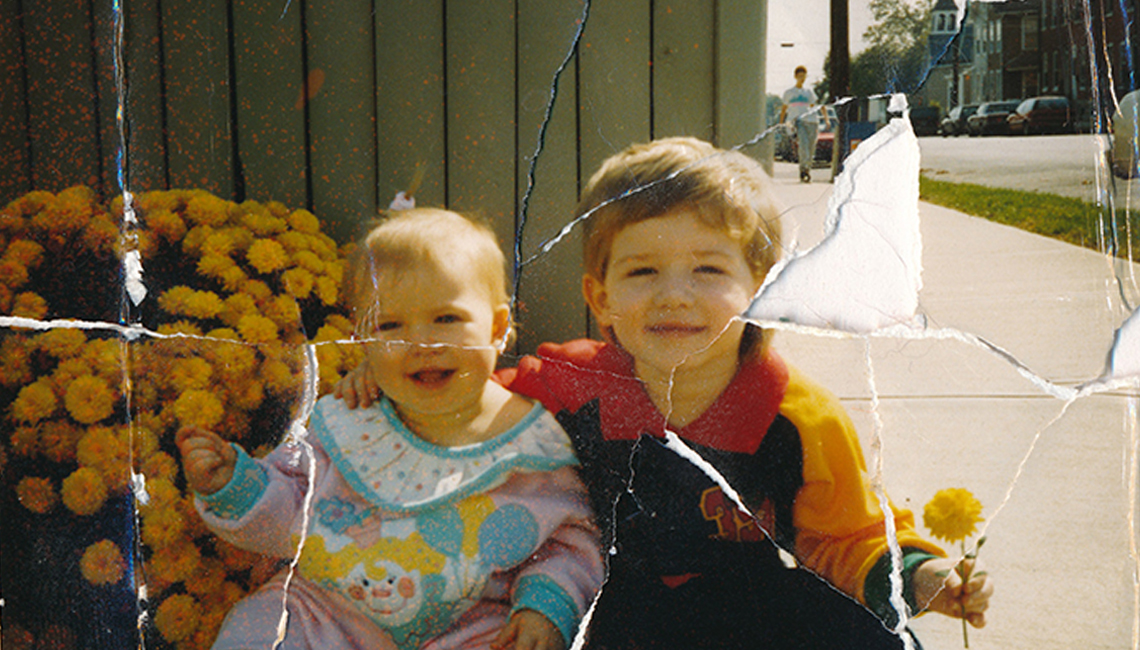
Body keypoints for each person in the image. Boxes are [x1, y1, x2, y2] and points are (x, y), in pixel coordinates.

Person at [337, 139, 993, 649]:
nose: (674, 294)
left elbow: (844, 535)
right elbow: (462, 401)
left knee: (875, 639)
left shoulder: (796, 415)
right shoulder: (565, 385)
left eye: (708, 269)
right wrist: (383, 382)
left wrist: (921, 577)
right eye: (643, 271)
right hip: (609, 606)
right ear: (600, 297)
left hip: (750, 609)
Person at [177, 208, 603, 650]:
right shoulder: (348, 420)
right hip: (325, 613)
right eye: (390, 325)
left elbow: (569, 543)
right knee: (258, 626)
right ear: (363, 340)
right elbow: (292, 508)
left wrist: (542, 608)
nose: (420, 343)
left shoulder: (532, 446)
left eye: (446, 319)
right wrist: (234, 484)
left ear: (497, 327)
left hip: (467, 628)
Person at [780, 65, 830, 183]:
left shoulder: (808, 92)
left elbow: (817, 105)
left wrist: (826, 119)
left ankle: (807, 169)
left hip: (812, 122)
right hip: (798, 122)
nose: (802, 79)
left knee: (811, 148)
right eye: (799, 76)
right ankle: (803, 170)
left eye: (804, 76)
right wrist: (781, 123)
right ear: (795, 76)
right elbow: (784, 109)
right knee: (804, 145)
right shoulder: (789, 93)